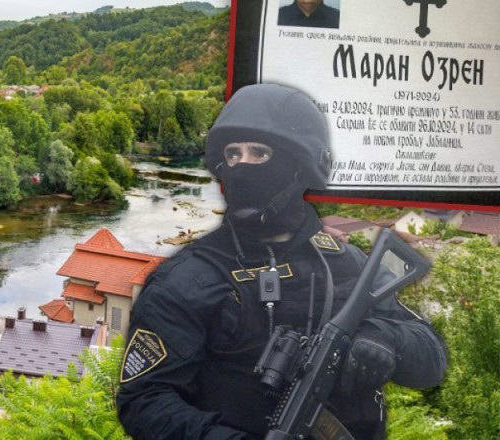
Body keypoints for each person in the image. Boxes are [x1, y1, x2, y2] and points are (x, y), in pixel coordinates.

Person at [116, 84, 446, 439]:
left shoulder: (347, 263)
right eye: (232, 154)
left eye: (259, 153)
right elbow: (144, 401)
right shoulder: (187, 278)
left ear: (299, 166)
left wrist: (385, 341)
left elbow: (431, 360)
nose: (242, 166)